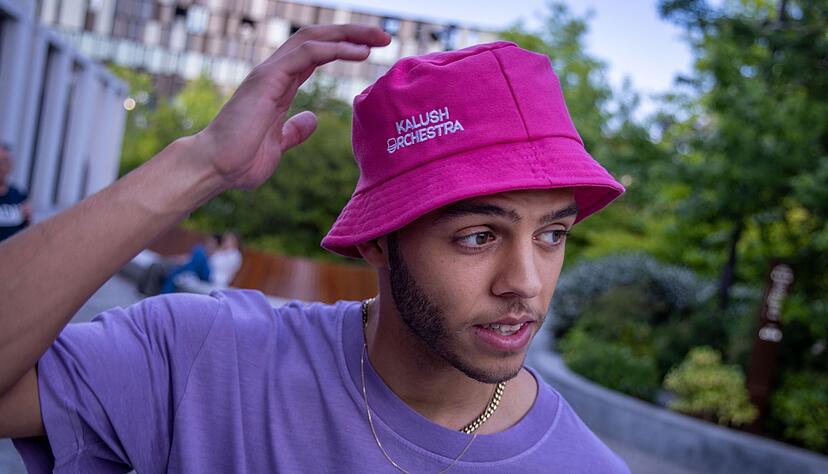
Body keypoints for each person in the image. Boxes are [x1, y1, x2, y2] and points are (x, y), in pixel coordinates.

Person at [0, 25, 629, 473]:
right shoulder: (209, 361)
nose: (526, 282)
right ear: (379, 239)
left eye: (552, 234)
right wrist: (199, 165)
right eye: (478, 236)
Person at [0, 143, 30, 242]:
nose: (1, 166)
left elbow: (25, 228)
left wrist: (27, 217)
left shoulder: (18, 195)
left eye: (5, 161)